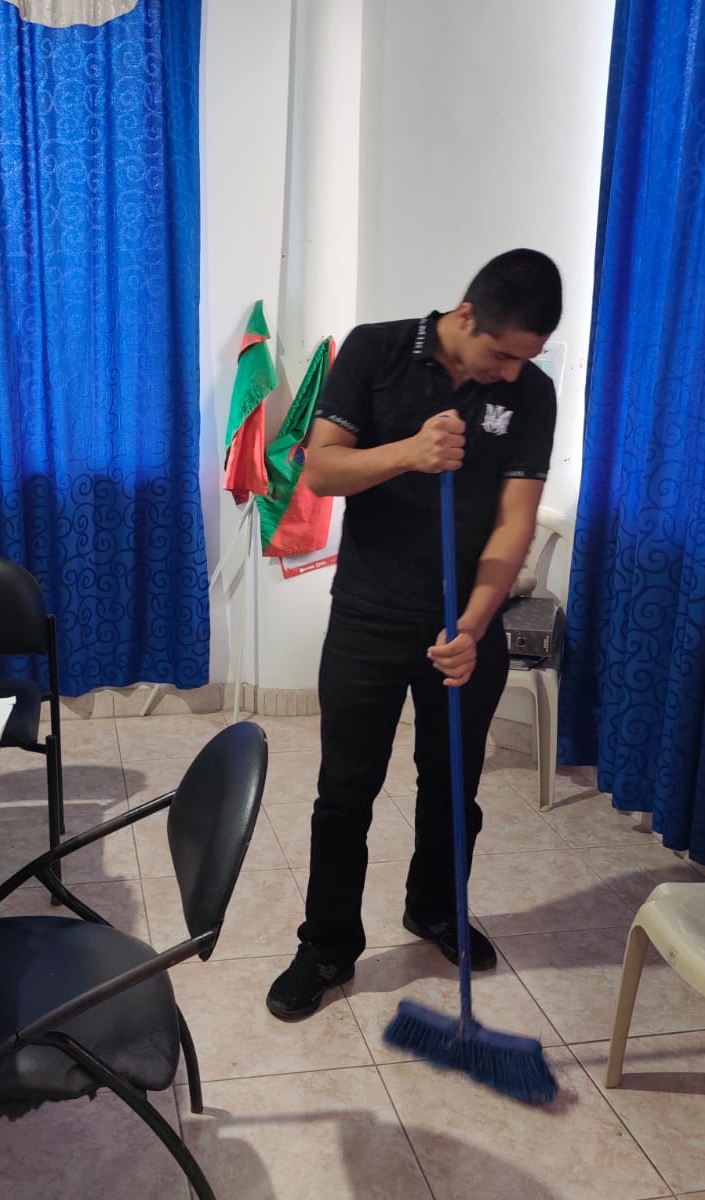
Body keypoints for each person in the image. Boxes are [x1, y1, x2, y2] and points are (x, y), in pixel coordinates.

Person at [266, 249, 562, 1020]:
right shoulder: (377, 350)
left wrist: (474, 623)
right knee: (345, 791)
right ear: (466, 316)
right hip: (368, 614)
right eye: (503, 354)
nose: (510, 373)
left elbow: (515, 522)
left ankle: (434, 908)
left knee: (454, 787)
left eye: (525, 359)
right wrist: (410, 453)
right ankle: (327, 944)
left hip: (466, 623)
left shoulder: (530, 393)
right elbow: (320, 471)